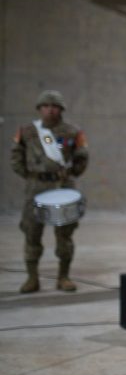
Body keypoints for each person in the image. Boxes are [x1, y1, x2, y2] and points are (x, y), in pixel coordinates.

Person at [10, 90, 89, 293]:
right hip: (36, 187)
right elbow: (16, 156)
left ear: (61, 109)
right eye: (45, 106)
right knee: (31, 232)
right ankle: (32, 278)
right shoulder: (27, 131)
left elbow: (82, 156)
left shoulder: (72, 131)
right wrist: (31, 176)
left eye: (54, 106)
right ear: (39, 109)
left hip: (62, 186)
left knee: (65, 234)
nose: (50, 110)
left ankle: (64, 276)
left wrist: (70, 174)